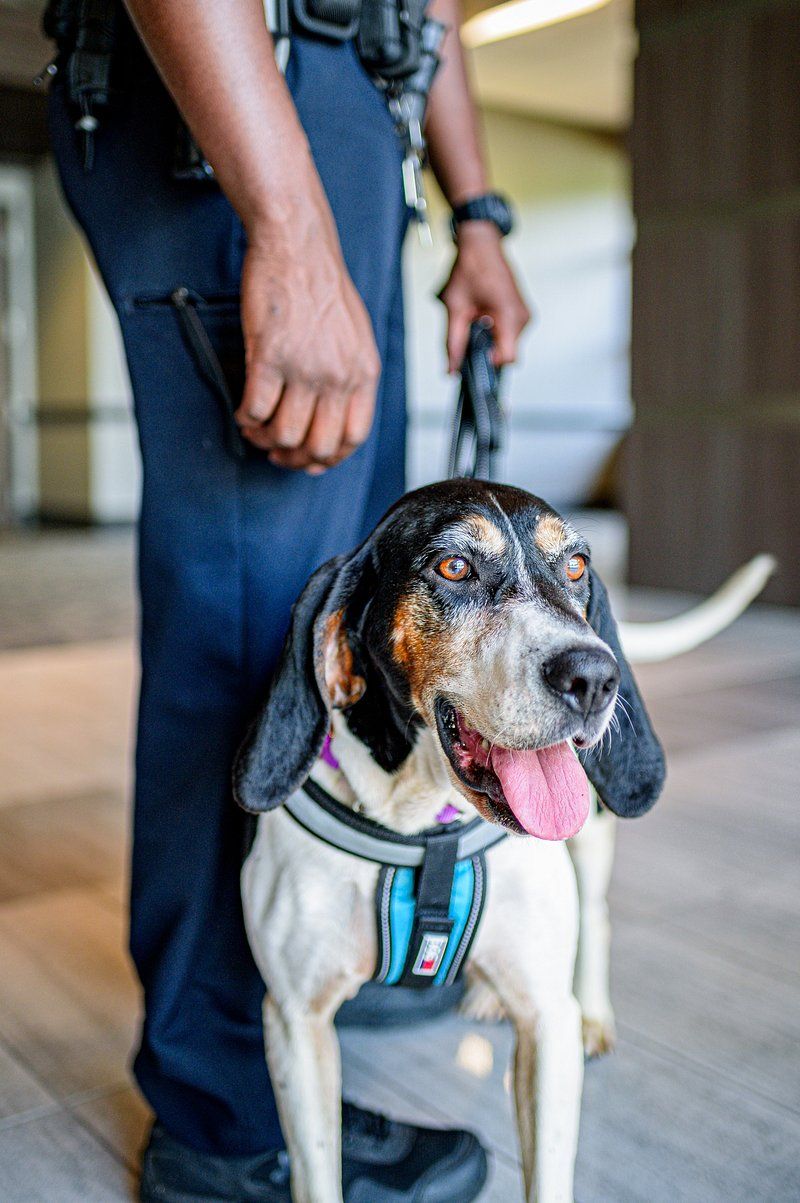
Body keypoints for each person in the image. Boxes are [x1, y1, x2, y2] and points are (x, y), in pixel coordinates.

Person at [47, 0, 529, 1198]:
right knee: (251, 631)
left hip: (354, 109)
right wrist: (288, 219)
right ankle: (224, 1117)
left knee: (352, 601)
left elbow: (430, 10)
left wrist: (475, 213)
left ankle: (302, 965)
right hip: (236, 81)